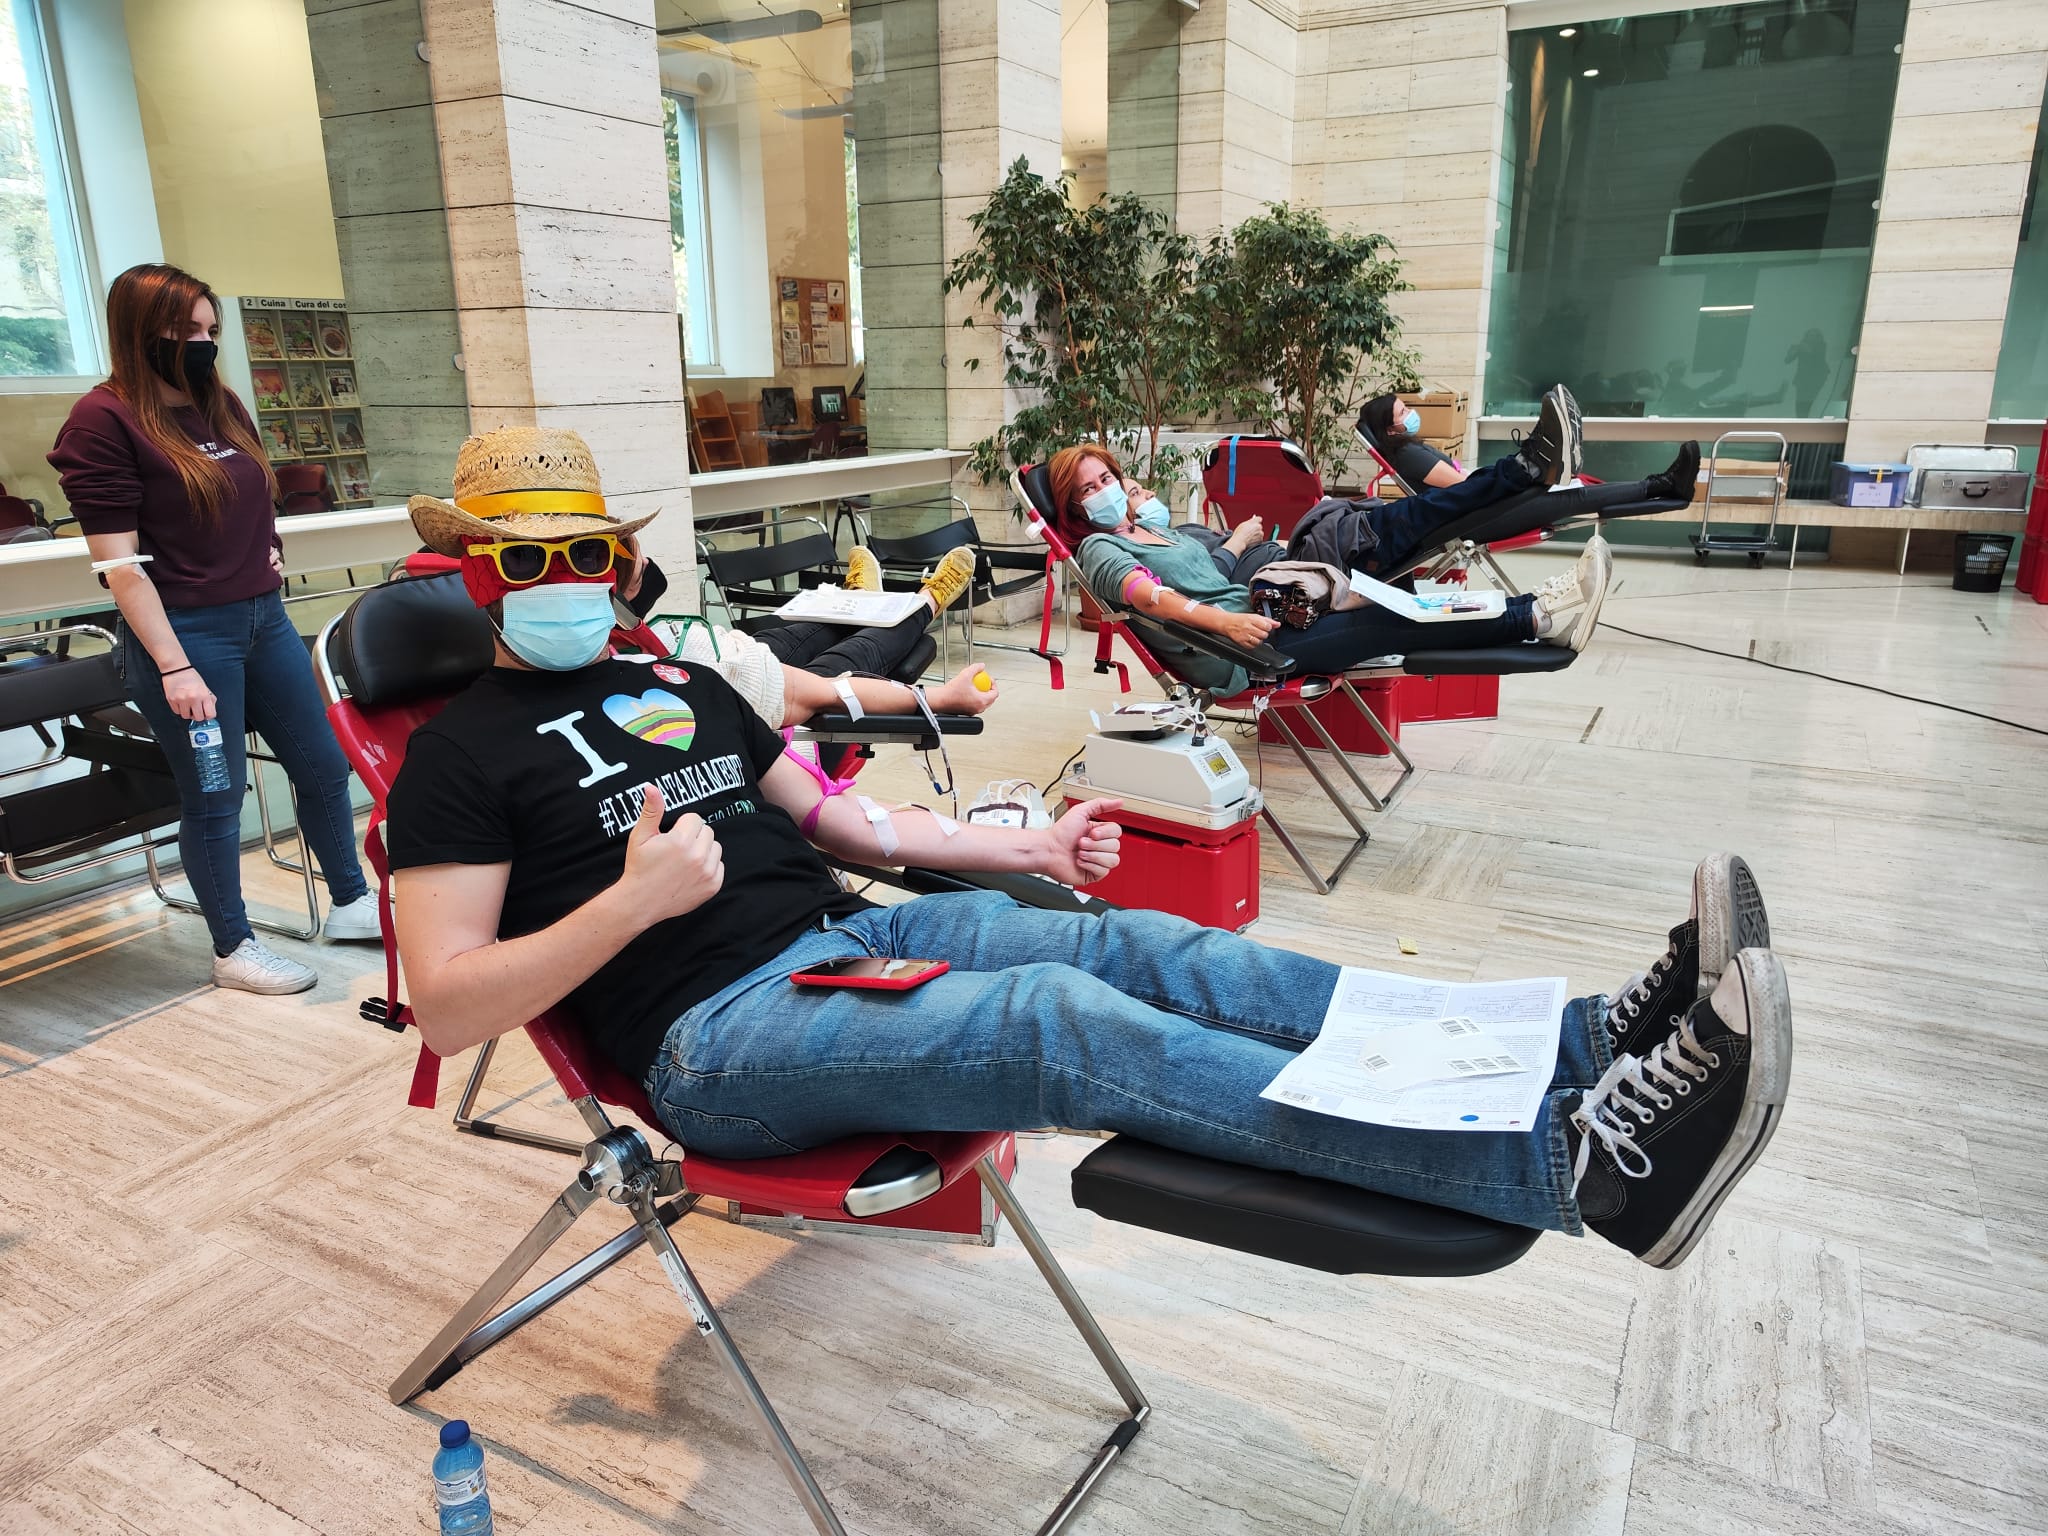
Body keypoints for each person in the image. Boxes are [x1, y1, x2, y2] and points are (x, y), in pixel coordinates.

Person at [383, 470, 1794, 1272]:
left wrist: (1028, 850)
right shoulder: (458, 756)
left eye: (590, 553)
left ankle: (1571, 1043)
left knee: (1136, 946)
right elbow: (446, 1006)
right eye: (532, 560)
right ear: (480, 581)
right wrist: (634, 901)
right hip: (714, 1042)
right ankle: (1585, 1164)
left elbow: (850, 831)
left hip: (847, 941)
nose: (570, 578)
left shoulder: (693, 684)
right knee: (1053, 1021)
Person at [49, 263, 375, 995]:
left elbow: (252, 495)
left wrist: (271, 549)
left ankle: (353, 902)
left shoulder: (219, 401)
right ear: (143, 332)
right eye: (185, 331)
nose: (202, 343)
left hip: (263, 618)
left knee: (324, 763)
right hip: (188, 636)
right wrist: (173, 667)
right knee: (216, 794)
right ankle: (233, 947)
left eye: (210, 330)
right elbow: (120, 567)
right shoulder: (102, 421)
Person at [1359, 393, 1469, 489]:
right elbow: (1464, 485)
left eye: (1406, 407)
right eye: (1402, 412)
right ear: (1390, 430)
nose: (1410, 412)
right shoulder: (1408, 454)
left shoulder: (1404, 449)